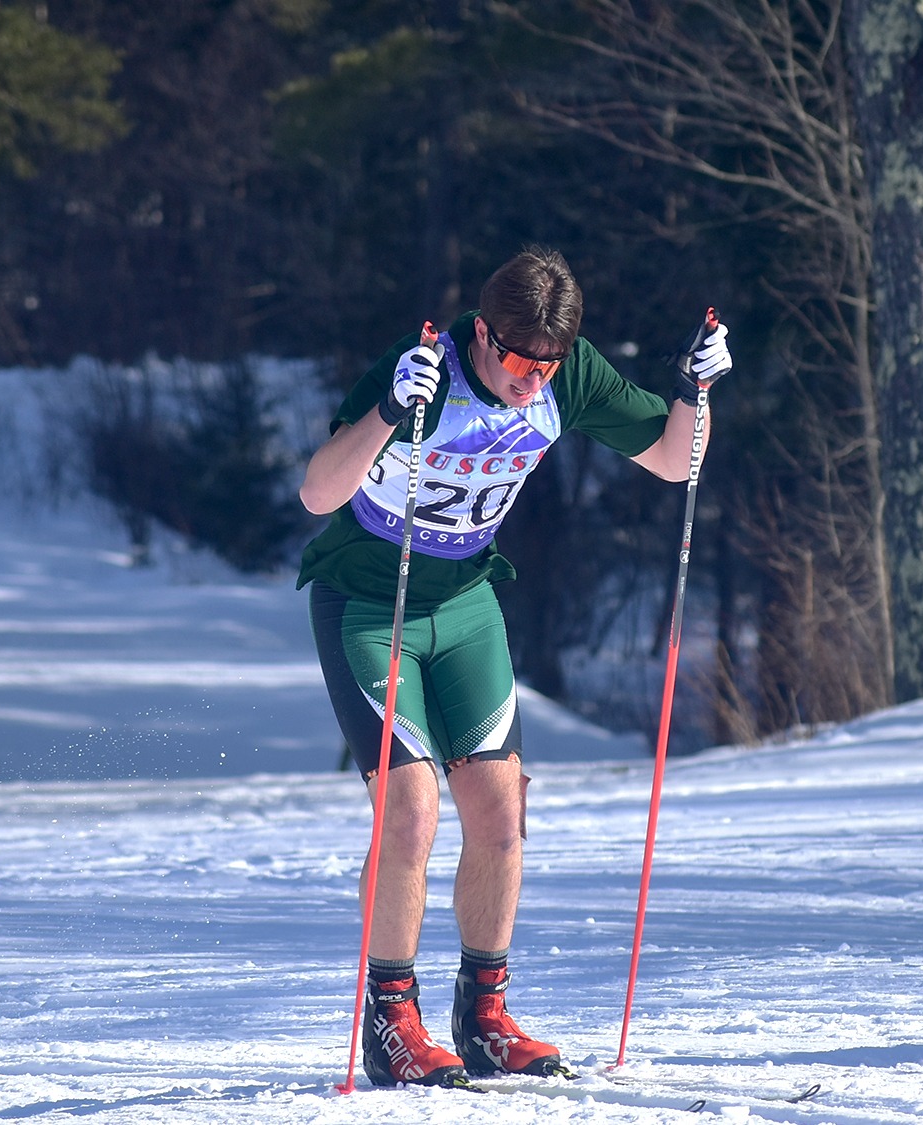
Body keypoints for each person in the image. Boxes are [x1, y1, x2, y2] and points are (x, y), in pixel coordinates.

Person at [297, 246, 731, 1088]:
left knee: (500, 815)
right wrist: (389, 409)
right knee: (411, 815)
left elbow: (677, 460)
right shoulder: (422, 367)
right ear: (485, 334)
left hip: (465, 604)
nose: (535, 381)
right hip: (368, 603)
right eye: (521, 361)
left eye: (551, 364)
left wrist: (693, 389)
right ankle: (390, 1022)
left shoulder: (568, 374)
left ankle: (484, 1016)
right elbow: (318, 493)